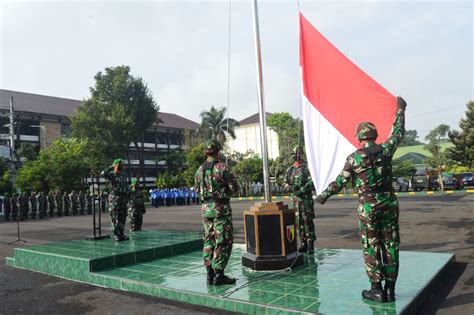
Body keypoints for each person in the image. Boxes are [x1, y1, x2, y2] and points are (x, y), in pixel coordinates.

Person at [316, 97, 407, 303]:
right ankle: (391, 289)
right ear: (374, 135)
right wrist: (400, 110)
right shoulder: (386, 149)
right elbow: (398, 133)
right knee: (391, 244)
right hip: (389, 203)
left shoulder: (354, 158)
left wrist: (323, 196)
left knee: (371, 245)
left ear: (359, 138)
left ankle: (376, 289)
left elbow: (340, 181)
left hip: (368, 207)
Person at [195, 139, 238, 286]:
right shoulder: (222, 168)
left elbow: (196, 190)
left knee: (208, 239)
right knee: (223, 240)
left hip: (205, 209)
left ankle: (209, 274)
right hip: (220, 208)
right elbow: (234, 188)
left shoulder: (198, 170)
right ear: (218, 152)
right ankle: (219, 274)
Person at [285, 146, 316, 254]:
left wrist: (302, 190)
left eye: (297, 154)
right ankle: (303, 243)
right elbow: (285, 182)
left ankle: (311, 243)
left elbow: (312, 180)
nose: (295, 156)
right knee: (298, 222)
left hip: (306, 200)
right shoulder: (290, 169)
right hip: (295, 201)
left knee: (308, 221)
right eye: (294, 154)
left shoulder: (307, 167)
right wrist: (290, 188)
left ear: (301, 154)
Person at [101, 159, 129, 242]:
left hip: (123, 199)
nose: (122, 166)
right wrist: (111, 167)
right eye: (120, 164)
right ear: (116, 165)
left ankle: (121, 234)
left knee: (122, 217)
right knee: (115, 217)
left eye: (123, 165)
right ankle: (116, 235)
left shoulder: (124, 175)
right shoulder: (112, 174)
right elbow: (103, 173)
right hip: (115, 199)